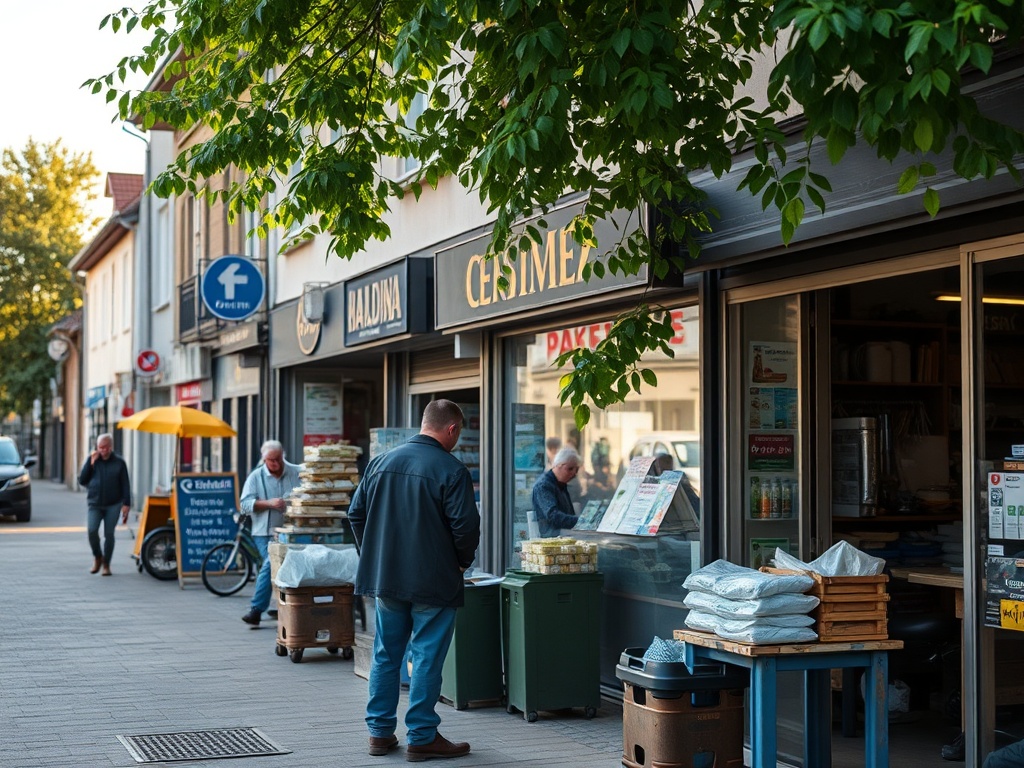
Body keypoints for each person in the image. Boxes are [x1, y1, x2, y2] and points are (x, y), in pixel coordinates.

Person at [348, 399, 480, 761]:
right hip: (433, 582)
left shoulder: (380, 463)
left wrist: (374, 555)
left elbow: (355, 514)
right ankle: (422, 736)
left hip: (387, 577)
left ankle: (379, 733)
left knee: (386, 654)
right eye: (458, 433)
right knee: (425, 658)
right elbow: (466, 527)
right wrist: (461, 564)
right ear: (451, 429)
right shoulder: (452, 470)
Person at [239, 440, 302, 627]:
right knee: (271, 563)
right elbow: (244, 505)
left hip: (293, 531)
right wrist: (268, 503)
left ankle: (286, 606)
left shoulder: (296, 471)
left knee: (284, 566)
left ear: (283, 455)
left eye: (277, 459)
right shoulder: (255, 477)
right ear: (264, 459)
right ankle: (257, 609)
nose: (275, 463)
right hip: (264, 533)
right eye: (270, 460)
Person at [79, 433, 131, 576]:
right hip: (94, 503)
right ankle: (98, 557)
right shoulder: (93, 460)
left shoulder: (119, 462)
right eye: (100, 447)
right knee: (92, 530)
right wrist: (91, 463)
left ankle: (106, 564)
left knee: (109, 534)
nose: (103, 450)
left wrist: (126, 504)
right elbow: (82, 480)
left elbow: (125, 484)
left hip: (113, 504)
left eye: (105, 447)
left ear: (111, 447)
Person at [531, 447, 582, 537]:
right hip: (551, 538)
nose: (574, 473)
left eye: (576, 470)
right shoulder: (544, 486)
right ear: (558, 465)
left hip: (563, 535)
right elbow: (553, 516)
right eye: (570, 469)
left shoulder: (560, 484)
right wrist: (581, 521)